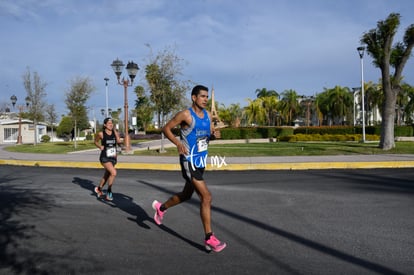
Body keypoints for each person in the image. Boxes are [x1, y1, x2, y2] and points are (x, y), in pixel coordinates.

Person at [152, 85, 227, 252]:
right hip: (188, 161)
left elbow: (205, 137)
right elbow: (166, 128)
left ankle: (161, 208)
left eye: (207, 96)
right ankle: (209, 237)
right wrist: (178, 143)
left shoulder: (208, 116)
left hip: (200, 161)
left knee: (186, 194)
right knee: (206, 197)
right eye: (202, 96)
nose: (205, 99)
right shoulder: (185, 115)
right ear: (194, 98)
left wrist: (213, 136)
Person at [94, 117, 122, 201]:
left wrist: (123, 145)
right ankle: (109, 192)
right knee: (113, 172)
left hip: (113, 157)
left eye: (111, 123)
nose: (111, 125)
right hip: (104, 157)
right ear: (105, 125)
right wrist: (100, 146)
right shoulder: (101, 134)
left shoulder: (115, 133)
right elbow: (95, 141)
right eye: (109, 123)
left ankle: (99, 189)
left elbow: (118, 142)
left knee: (107, 175)